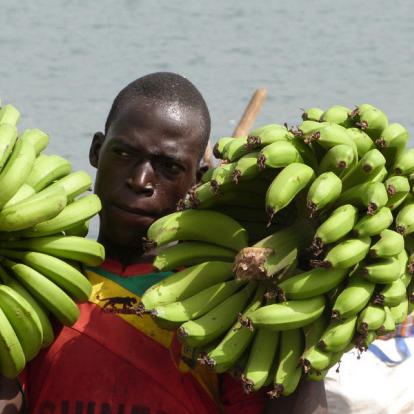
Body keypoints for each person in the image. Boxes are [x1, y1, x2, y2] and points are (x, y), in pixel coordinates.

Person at [0, 72, 328, 414]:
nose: (140, 180)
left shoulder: (221, 303)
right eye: (124, 154)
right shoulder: (40, 289)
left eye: (168, 167)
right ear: (96, 151)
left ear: (196, 181)